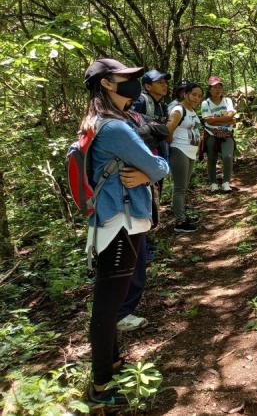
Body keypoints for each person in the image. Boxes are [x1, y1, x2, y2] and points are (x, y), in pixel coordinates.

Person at [80, 58, 169, 408]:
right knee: (107, 306)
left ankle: (113, 362)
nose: (132, 82)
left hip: (110, 221)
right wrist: (151, 171)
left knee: (111, 300)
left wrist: (145, 173)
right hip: (121, 222)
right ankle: (101, 387)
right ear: (106, 84)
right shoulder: (114, 128)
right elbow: (157, 164)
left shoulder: (96, 122)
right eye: (125, 78)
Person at [116, 69, 172, 333]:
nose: (163, 85)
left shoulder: (142, 109)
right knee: (127, 253)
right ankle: (120, 312)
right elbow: (151, 135)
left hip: (138, 188)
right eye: (159, 81)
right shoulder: (115, 122)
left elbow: (157, 129)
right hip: (122, 199)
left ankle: (122, 310)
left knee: (138, 240)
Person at [166, 82, 203, 233]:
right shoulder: (178, 109)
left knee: (184, 186)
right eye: (194, 94)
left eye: (199, 96)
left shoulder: (192, 110)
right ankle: (180, 222)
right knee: (180, 188)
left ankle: (182, 216)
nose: (196, 98)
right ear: (185, 94)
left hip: (190, 151)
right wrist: (173, 145)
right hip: (179, 150)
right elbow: (168, 129)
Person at [200, 76, 236, 192]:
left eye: (219, 86)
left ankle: (226, 182)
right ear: (209, 89)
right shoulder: (206, 103)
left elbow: (231, 116)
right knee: (211, 158)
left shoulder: (228, 101)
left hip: (227, 134)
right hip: (211, 134)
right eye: (214, 87)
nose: (217, 89)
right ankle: (213, 183)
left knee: (228, 156)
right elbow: (208, 120)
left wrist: (216, 118)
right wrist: (227, 120)